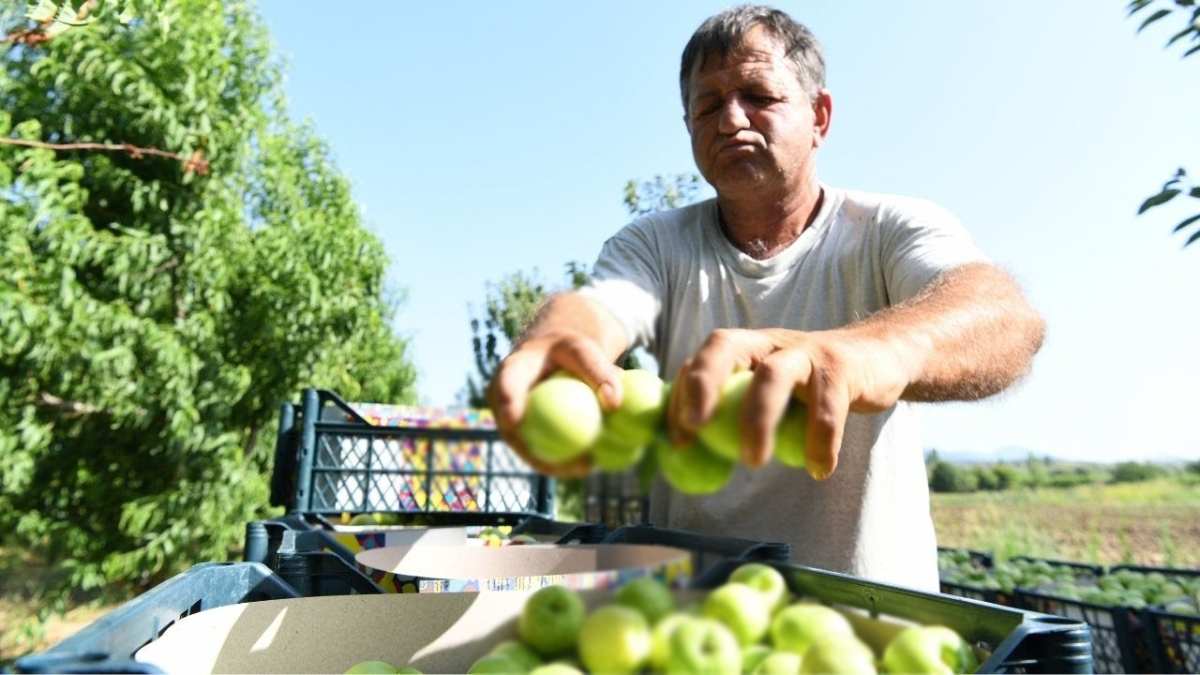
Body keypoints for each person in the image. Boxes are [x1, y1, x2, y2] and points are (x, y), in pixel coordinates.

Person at [488, 4, 1045, 591]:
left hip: (871, 634)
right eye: (707, 105)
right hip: (695, 621)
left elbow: (1003, 318)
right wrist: (556, 337)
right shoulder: (656, 243)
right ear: (688, 127)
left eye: (759, 95)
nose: (731, 119)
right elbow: (598, 309)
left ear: (820, 116)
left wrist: (868, 352)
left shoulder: (889, 228)